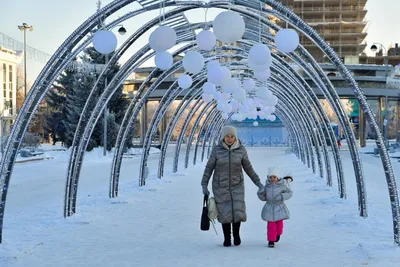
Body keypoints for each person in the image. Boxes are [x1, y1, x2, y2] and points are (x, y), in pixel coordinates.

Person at [201, 125, 263, 247]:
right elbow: (209, 167)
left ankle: (236, 235)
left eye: (232, 136)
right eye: (227, 136)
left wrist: (258, 183)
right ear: (223, 137)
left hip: (237, 185)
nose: (230, 139)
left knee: (237, 211)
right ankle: (227, 238)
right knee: (224, 212)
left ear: (235, 137)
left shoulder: (241, 150)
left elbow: (248, 168)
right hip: (220, 186)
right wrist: (204, 184)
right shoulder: (217, 150)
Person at [257, 166, 293, 248]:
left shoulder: (282, 186)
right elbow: (263, 198)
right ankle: (271, 241)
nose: (272, 179)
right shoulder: (266, 187)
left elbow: (290, 193)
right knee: (271, 225)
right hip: (269, 208)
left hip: (279, 207)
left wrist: (281, 196)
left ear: (278, 178)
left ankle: (278, 233)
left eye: (274, 177)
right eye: (271, 177)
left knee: (279, 225)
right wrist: (260, 193)